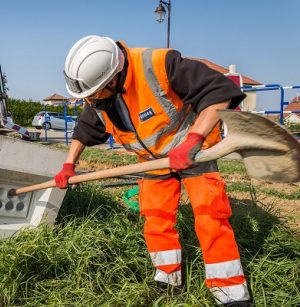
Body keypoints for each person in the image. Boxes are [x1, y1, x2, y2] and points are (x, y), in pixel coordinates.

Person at [54, 35, 252, 306]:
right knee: (156, 217)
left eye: (93, 94)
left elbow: (219, 93)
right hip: (152, 161)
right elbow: (84, 130)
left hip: (194, 153)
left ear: (111, 80)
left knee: (210, 215)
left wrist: (193, 141)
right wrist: (68, 165)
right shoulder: (98, 99)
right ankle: (168, 279)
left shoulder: (159, 64)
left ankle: (230, 292)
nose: (90, 101)